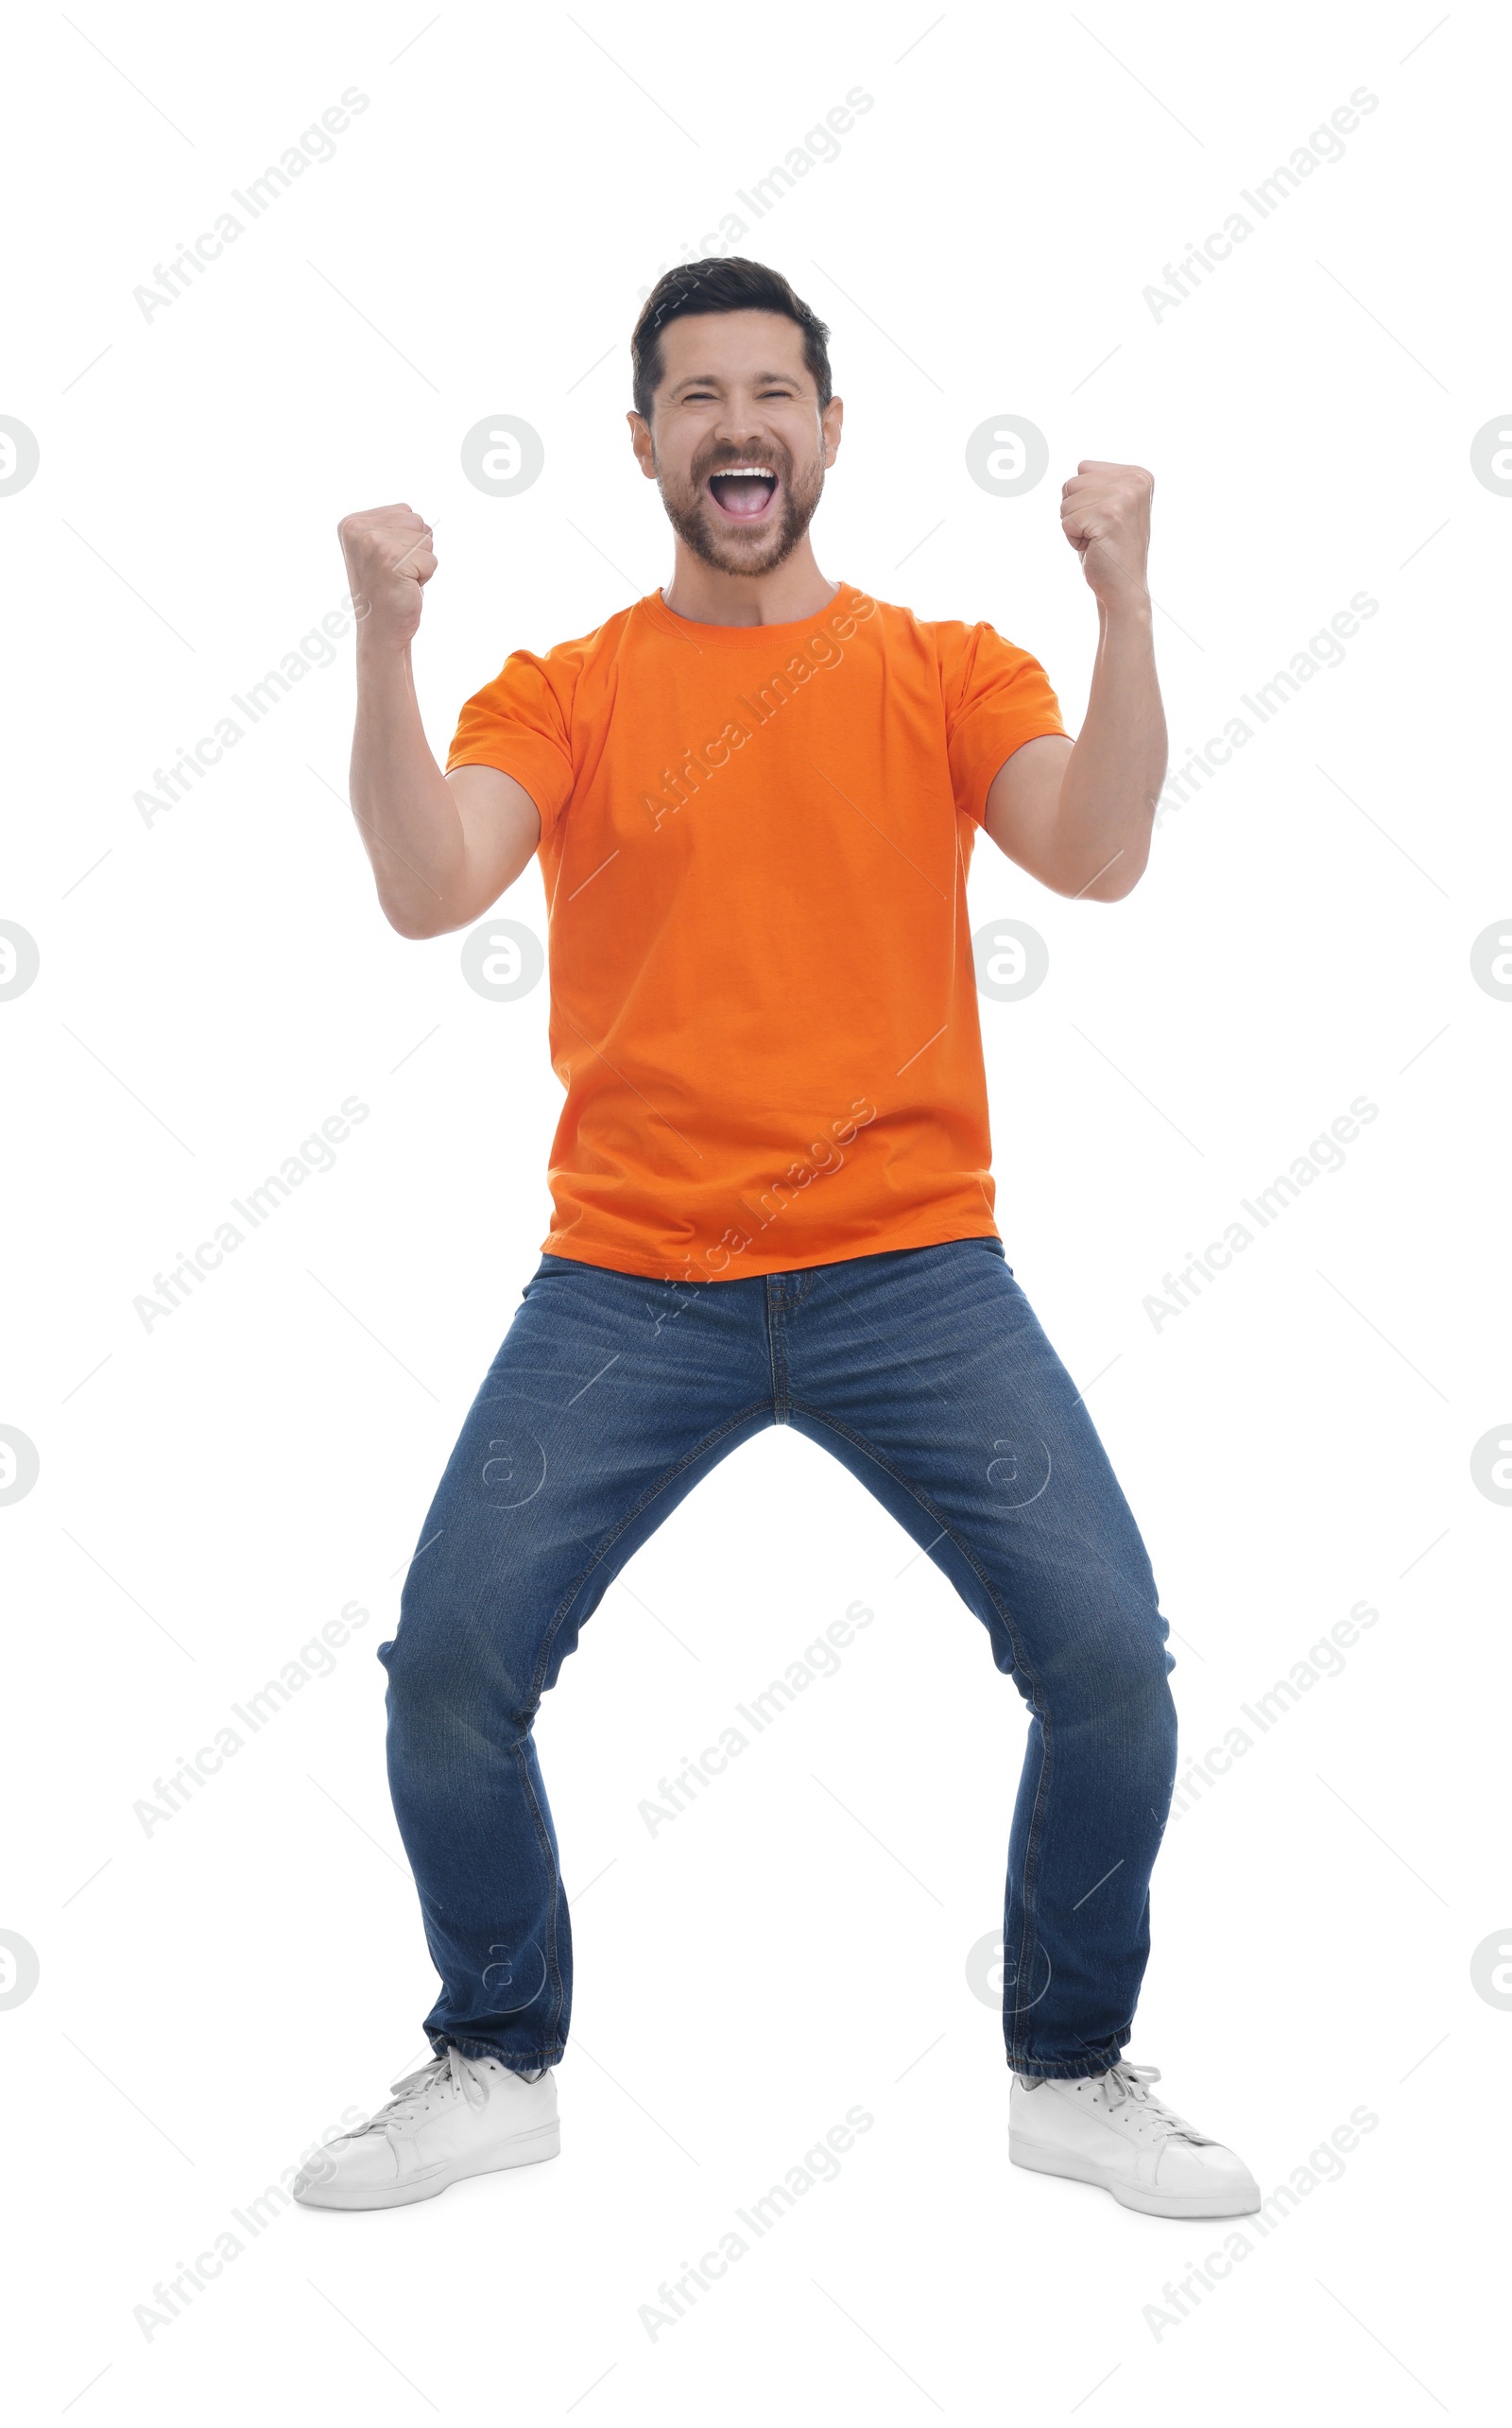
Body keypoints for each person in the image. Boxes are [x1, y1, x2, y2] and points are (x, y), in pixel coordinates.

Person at [295, 257, 1258, 2219]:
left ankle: (1068, 2067)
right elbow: (425, 881)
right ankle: (494, 2051)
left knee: (1108, 1667)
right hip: (630, 1281)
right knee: (447, 1670)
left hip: (913, 1270)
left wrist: (1124, 607)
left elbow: (1094, 849)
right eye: (696, 395)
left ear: (826, 431)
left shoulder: (937, 666)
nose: (738, 423)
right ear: (643, 442)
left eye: (772, 391)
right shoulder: (564, 688)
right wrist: (384, 642)